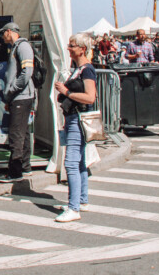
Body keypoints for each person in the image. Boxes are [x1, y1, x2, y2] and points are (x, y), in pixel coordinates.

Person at [53, 33, 97, 222]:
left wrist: (67, 92)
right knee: (79, 162)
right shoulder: (79, 69)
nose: (68, 48)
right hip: (72, 118)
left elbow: (90, 97)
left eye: (72, 45)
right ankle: (81, 200)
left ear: (82, 49)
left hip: (78, 119)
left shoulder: (86, 70)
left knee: (71, 162)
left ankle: (74, 208)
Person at [0, 22, 36, 183]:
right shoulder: (16, 47)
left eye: (3, 33)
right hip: (19, 97)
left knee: (16, 134)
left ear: (9, 32)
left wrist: (12, 89)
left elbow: (27, 72)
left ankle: (15, 172)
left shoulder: (22, 46)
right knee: (23, 132)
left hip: (21, 97)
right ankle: (25, 167)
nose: (1, 36)